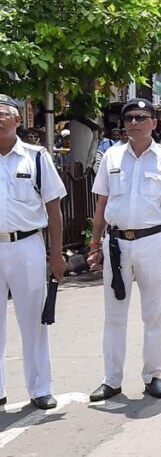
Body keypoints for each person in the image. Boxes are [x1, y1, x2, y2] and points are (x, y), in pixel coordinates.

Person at [88, 99, 161, 403]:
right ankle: (112, 379)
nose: (134, 123)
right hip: (116, 243)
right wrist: (94, 244)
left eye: (141, 117)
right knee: (113, 314)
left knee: (152, 312)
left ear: (154, 123)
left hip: (152, 241)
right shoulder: (111, 157)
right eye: (129, 118)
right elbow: (102, 203)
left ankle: (153, 375)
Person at [0, 94, 67, 410]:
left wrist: (56, 254)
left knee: (33, 320)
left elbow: (54, 209)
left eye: (4, 112)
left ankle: (40, 387)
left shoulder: (36, 157)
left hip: (27, 244)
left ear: (17, 120)